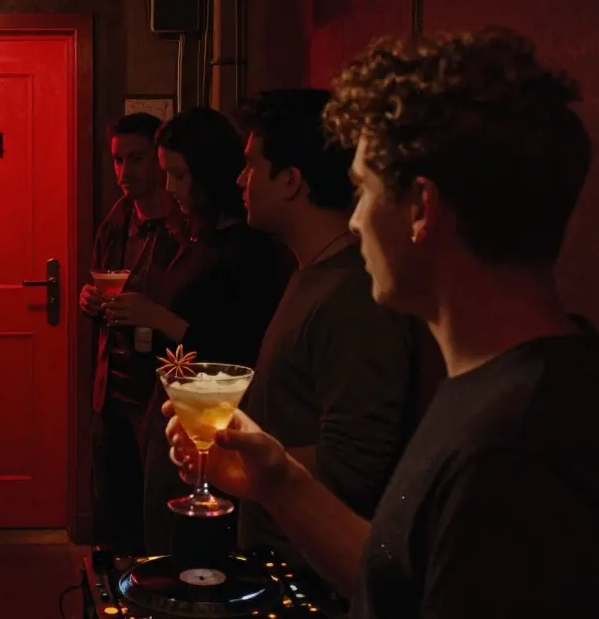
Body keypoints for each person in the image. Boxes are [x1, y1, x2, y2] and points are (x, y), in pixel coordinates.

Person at [165, 28, 599, 618]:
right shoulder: (507, 382)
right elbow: (395, 578)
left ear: (422, 209)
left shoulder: (518, 451)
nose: (354, 222)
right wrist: (276, 477)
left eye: (363, 191)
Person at [231, 89, 439, 581]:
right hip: (278, 556)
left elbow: (355, 463)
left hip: (315, 575)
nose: (240, 179)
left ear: (290, 181)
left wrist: (241, 463)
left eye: (252, 164)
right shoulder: (311, 270)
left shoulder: (353, 295)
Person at [105, 108, 284, 554]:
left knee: (190, 549)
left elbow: (239, 348)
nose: (170, 188)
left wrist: (158, 317)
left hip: (213, 421)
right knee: (159, 537)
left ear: (211, 174)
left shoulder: (246, 247)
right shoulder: (193, 235)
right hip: (171, 407)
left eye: (179, 176)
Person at [78, 112, 185, 555]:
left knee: (159, 519)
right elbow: (104, 283)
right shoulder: (117, 221)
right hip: (112, 391)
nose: (125, 172)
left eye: (136, 158)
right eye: (118, 161)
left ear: (160, 161)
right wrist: (90, 301)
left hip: (160, 393)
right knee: (114, 515)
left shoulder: (185, 228)